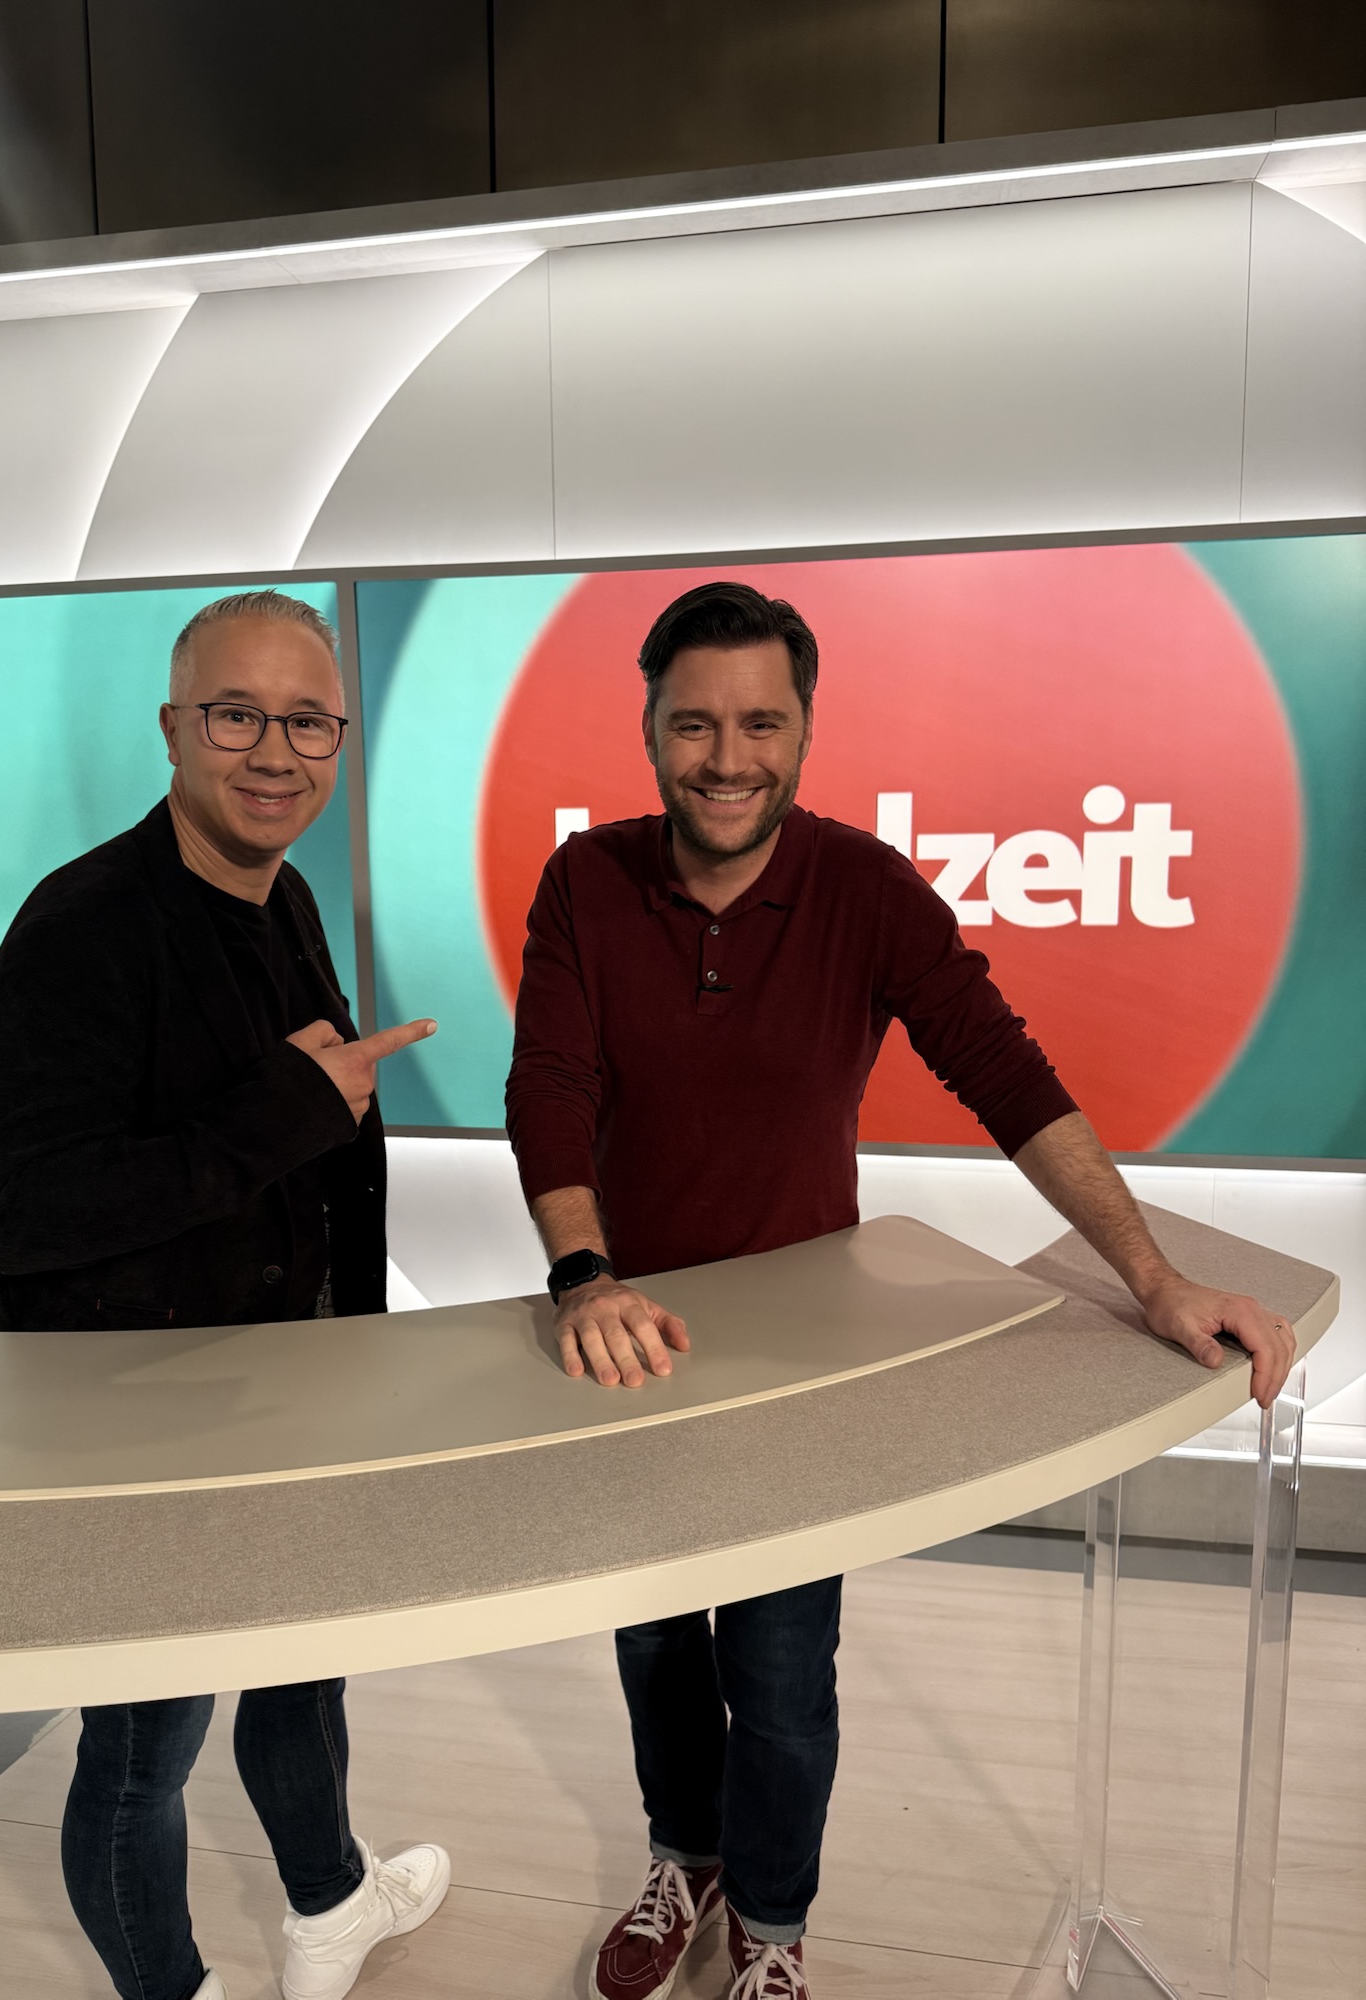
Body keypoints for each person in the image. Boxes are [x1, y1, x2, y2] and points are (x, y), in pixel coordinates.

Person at [504, 580, 1298, 2000]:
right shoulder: (587, 880)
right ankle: (687, 1858)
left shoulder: (865, 889)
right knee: (658, 1647)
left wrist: (1155, 1278)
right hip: (634, 1350)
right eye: (694, 724)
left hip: (809, 1362)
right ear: (649, 729)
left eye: (760, 723)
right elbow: (551, 1086)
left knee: (782, 1673)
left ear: (805, 729)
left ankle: (773, 1928)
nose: (727, 757)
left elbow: (1006, 1076)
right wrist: (583, 1275)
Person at [0, 590, 449, 2000]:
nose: (273, 752)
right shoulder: (82, 927)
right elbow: (21, 1214)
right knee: (140, 1755)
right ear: (175, 728)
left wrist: (357, 1362)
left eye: (308, 722)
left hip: (291, 1404)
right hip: (140, 1436)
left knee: (303, 1670)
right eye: (238, 715)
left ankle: (330, 1905)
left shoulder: (281, 892)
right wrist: (277, 1112)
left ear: (341, 740)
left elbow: (313, 1162)